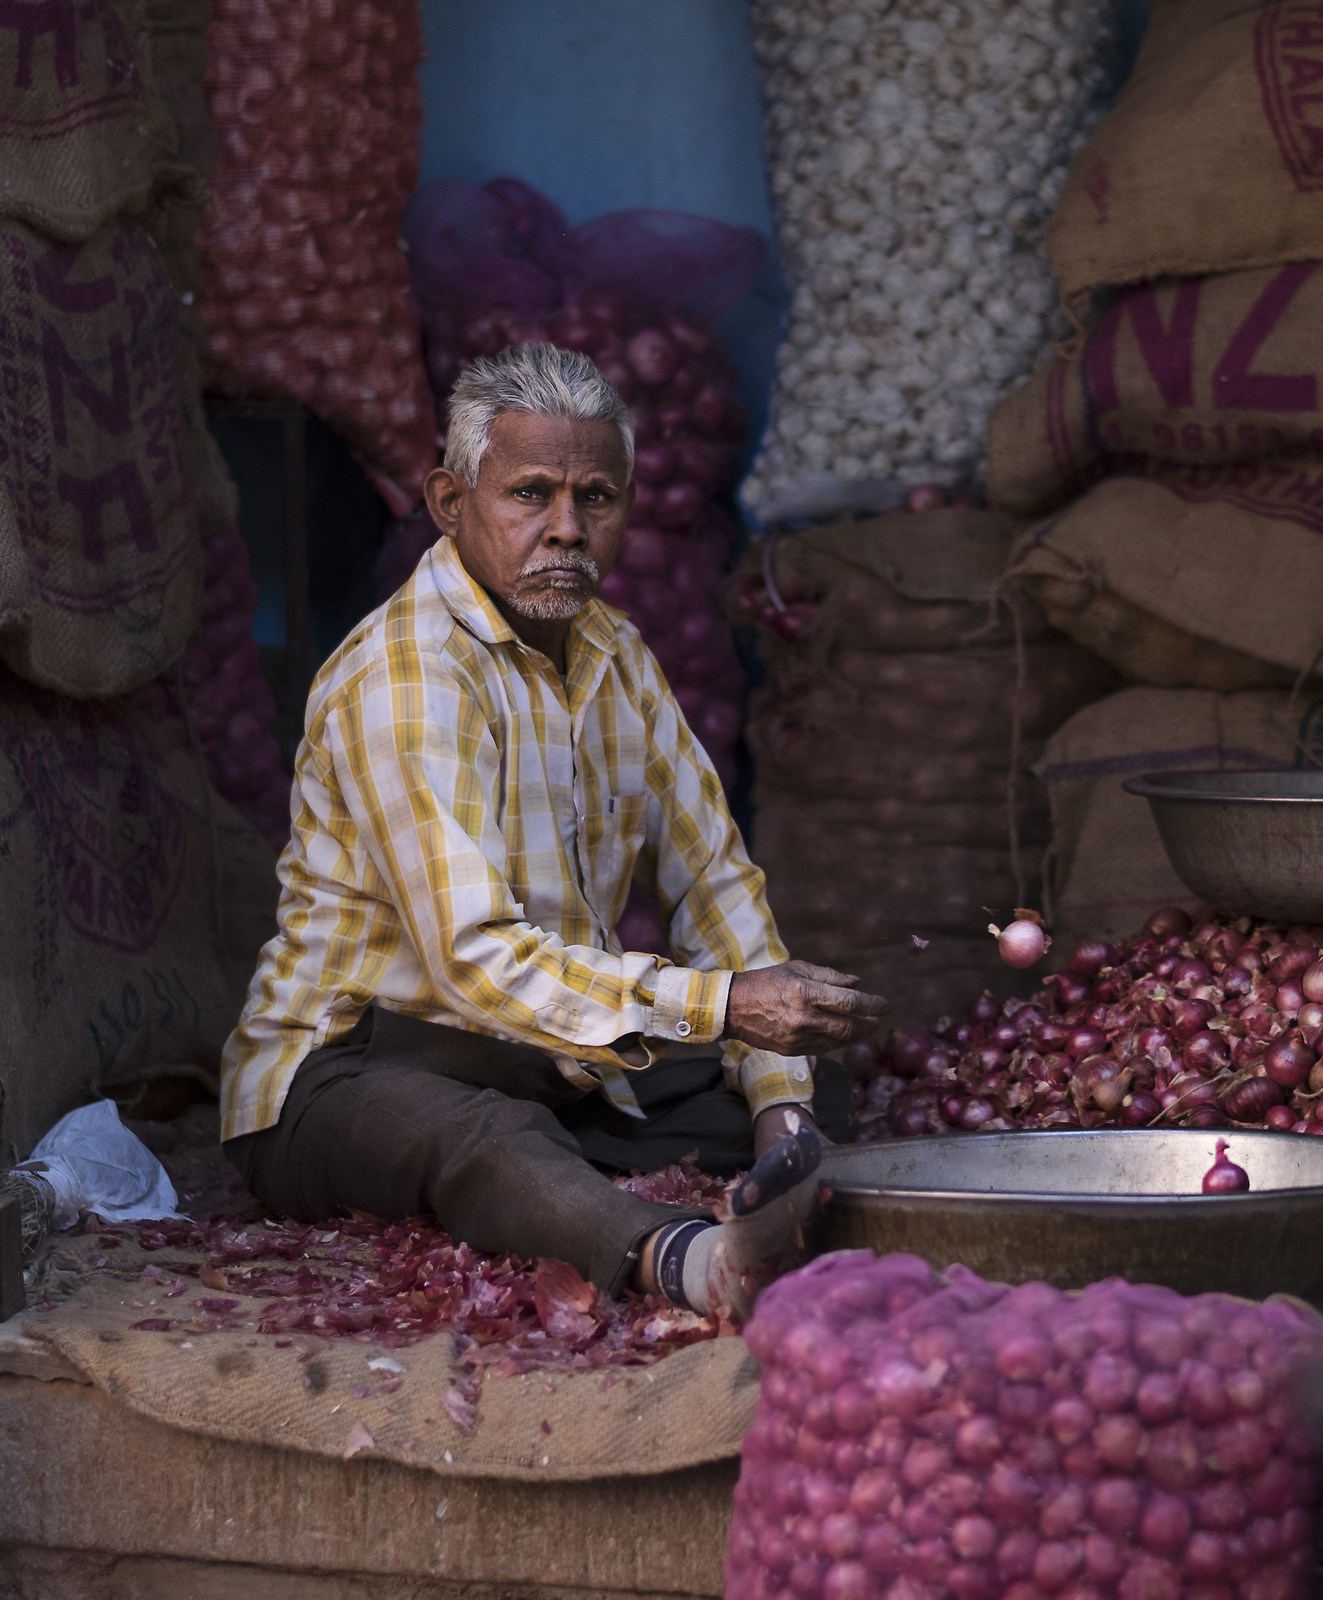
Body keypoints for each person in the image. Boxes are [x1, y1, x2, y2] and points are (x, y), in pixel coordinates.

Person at [219, 343, 888, 1317]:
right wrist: (725, 1003)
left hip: (539, 1057)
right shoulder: (407, 676)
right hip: (348, 1068)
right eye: (529, 494)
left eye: (596, 499)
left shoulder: (616, 655)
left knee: (803, 1092)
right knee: (487, 1140)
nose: (567, 530)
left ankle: (641, 1180)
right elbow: (476, 960)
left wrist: (780, 1111)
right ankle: (693, 1263)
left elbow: (714, 881)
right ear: (451, 505)